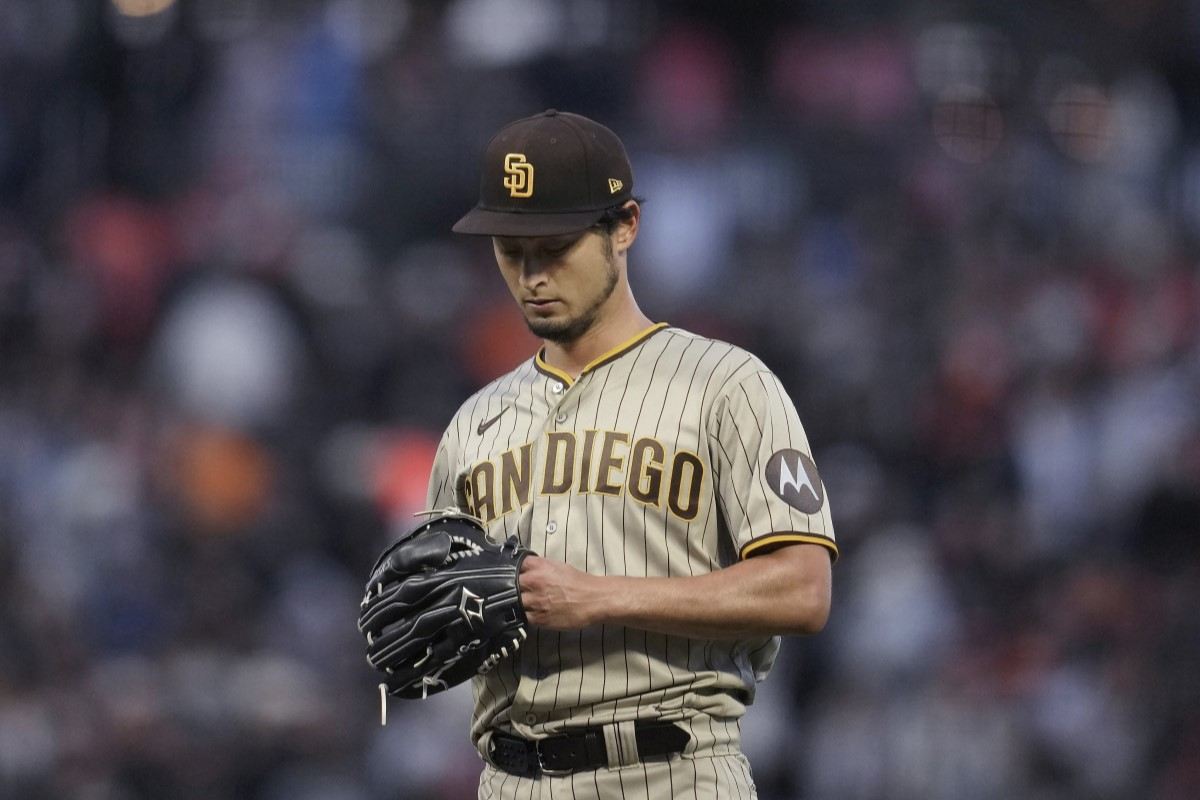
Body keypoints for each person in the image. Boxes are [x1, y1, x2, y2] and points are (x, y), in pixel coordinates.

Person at [429, 108, 837, 799]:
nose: (532, 274)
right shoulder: (472, 424)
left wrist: (597, 597)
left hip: (670, 772)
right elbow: (441, 625)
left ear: (625, 227)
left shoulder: (727, 384)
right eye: (510, 249)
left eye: (554, 247)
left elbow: (803, 588)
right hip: (510, 781)